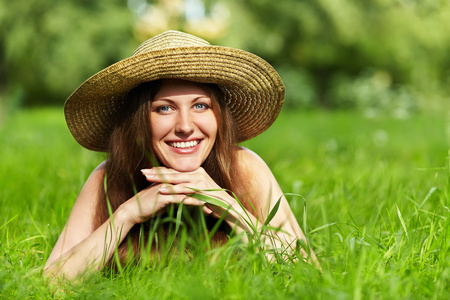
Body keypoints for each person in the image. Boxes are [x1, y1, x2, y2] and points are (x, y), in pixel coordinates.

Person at [44, 30, 319, 279]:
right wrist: (127, 215)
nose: (185, 126)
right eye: (164, 108)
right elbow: (51, 284)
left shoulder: (244, 166)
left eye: (200, 106)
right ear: (139, 120)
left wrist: (230, 208)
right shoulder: (108, 176)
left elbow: (307, 274)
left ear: (219, 116)